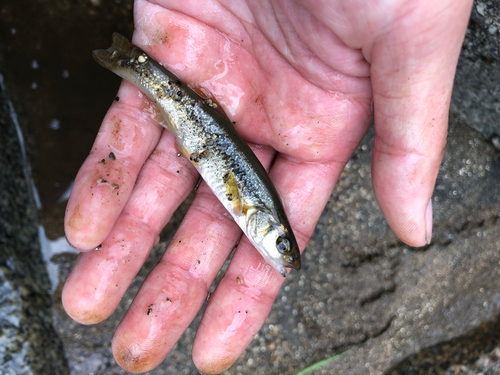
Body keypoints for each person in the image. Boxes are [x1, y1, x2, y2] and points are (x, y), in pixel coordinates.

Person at [61, 0, 474, 373]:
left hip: (205, 132)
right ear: (266, 227)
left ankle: (133, 64)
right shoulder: (256, 209)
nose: (281, 256)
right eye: (281, 245)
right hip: (201, 131)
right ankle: (133, 64)